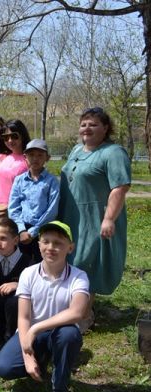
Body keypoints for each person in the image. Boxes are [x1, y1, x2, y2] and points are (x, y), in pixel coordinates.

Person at [0, 221, 89, 392]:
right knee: (4, 367)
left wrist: (37, 328)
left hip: (59, 332)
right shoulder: (28, 274)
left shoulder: (79, 276)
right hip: (32, 333)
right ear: (39, 245)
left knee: (69, 335)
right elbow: (23, 318)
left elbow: (77, 313)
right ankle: (42, 359)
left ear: (70, 248)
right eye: (46, 241)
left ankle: (59, 390)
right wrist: (27, 356)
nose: (51, 247)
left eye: (58, 243)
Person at [58, 107, 131, 331]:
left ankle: (83, 316)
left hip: (95, 218)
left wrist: (109, 219)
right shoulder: (76, 150)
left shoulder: (113, 152)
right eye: (83, 124)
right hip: (71, 216)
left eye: (93, 124)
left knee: (86, 262)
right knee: (70, 260)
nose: (87, 128)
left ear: (106, 128)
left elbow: (120, 187)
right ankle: (69, 307)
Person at [9, 139, 59, 263]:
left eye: (40, 155)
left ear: (47, 158)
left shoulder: (52, 181)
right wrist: (21, 230)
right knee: (21, 263)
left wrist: (34, 232)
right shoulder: (19, 180)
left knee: (42, 263)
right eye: (31, 155)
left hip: (43, 229)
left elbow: (52, 210)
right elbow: (13, 208)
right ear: (25, 157)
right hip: (22, 230)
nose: (35, 158)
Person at [0, 119, 30, 207]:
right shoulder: (1, 158)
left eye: (14, 136)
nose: (10, 140)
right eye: (6, 137)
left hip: (15, 210)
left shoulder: (29, 161)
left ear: (22, 136)